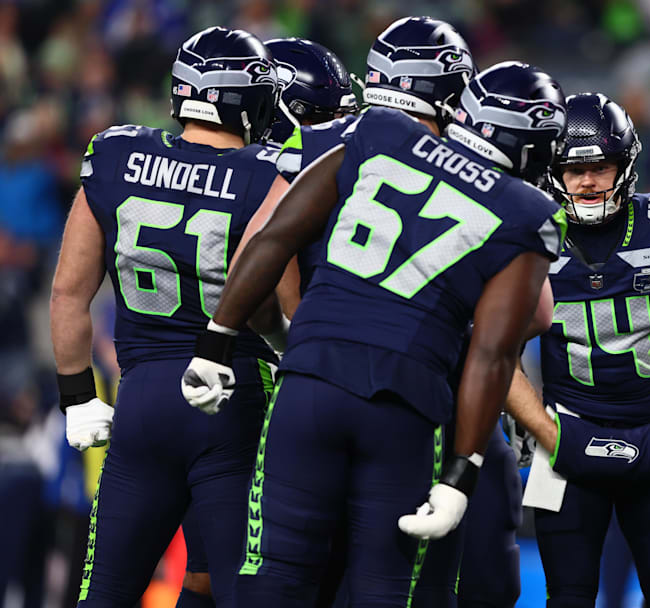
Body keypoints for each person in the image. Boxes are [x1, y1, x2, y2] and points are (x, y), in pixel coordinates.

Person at [179, 61, 568, 608]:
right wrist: (461, 473)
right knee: (384, 588)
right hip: (404, 404)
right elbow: (492, 351)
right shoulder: (528, 212)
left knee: (275, 576)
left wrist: (215, 341)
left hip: (309, 381)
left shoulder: (381, 130)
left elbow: (276, 237)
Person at [49, 26, 286, 607]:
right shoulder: (269, 175)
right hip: (232, 402)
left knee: (104, 593)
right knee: (239, 595)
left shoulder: (116, 153)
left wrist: (78, 395)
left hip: (143, 400)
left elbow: (67, 292)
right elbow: (289, 309)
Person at [499, 92, 650, 608]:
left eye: (600, 167)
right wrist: (542, 427)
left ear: (625, 165)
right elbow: (498, 351)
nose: (586, 181)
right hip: (568, 431)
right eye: (573, 168)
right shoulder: (529, 232)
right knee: (569, 595)